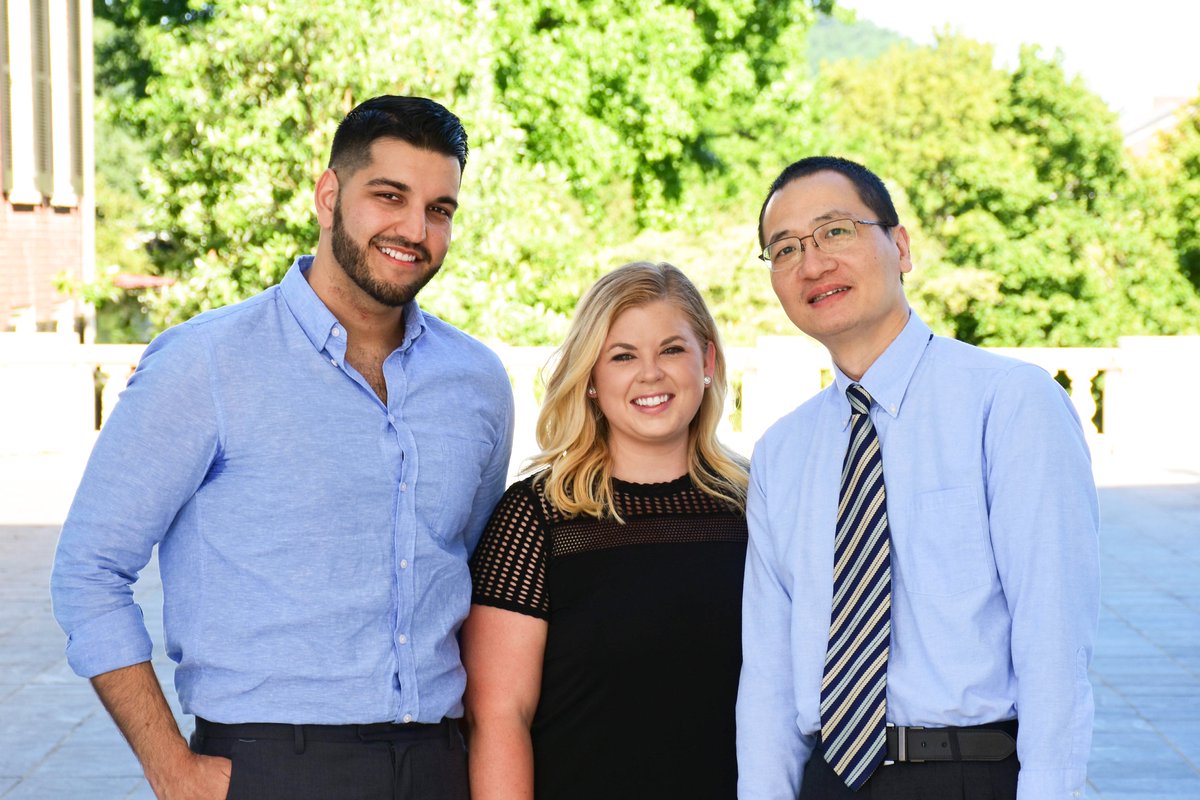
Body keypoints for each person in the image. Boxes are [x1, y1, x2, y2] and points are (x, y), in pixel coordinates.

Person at [50, 95, 515, 800]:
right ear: (329, 195)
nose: (414, 229)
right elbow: (89, 571)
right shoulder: (204, 363)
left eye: (440, 208)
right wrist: (171, 769)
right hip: (270, 768)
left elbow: (470, 577)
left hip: (438, 767)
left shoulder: (476, 383)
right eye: (388, 196)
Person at [736, 156, 1100, 800]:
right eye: (784, 248)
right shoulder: (780, 452)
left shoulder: (1010, 403)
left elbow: (1054, 639)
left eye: (836, 231)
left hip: (967, 772)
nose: (812, 263)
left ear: (900, 246)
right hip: (829, 778)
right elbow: (766, 677)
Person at [461, 261, 748, 800]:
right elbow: (498, 717)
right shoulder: (536, 517)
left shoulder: (758, 507)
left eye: (672, 349)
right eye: (622, 356)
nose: (651, 374)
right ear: (591, 377)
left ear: (707, 360)